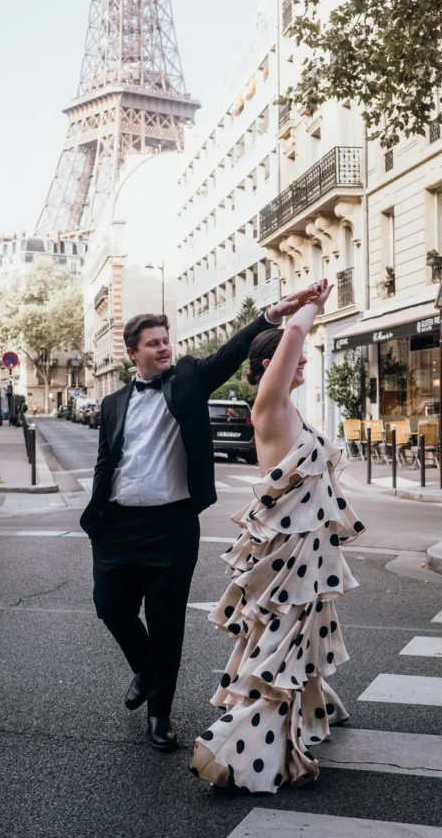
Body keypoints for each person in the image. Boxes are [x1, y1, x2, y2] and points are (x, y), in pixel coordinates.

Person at [79, 288, 319, 753]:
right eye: (153, 343)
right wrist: (97, 515)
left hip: (171, 527)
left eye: (166, 340)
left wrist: (272, 314)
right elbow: (106, 461)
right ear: (133, 353)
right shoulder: (112, 404)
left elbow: (229, 352)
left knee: (166, 621)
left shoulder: (188, 378)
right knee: (111, 608)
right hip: (118, 525)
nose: (164, 347)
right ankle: (147, 672)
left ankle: (160, 714)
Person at [191, 280, 365, 793]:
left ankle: (309, 709)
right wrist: (310, 307)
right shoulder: (268, 406)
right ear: (269, 367)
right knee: (281, 642)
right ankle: (239, 747)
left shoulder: (289, 410)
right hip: (288, 554)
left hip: (305, 551)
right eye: (297, 360)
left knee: (295, 636)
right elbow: (291, 333)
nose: (304, 364)